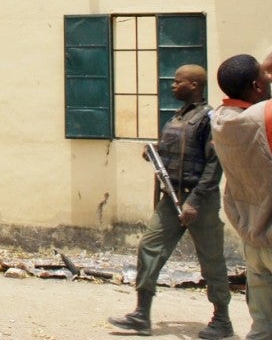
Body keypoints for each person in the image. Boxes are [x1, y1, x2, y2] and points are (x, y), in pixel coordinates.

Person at [108, 64, 233, 339]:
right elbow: (172, 150)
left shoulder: (208, 118)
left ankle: (222, 319)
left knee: (211, 260)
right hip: (172, 197)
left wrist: (195, 202)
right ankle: (141, 315)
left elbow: (215, 165)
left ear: (195, 86)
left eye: (179, 82)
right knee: (149, 247)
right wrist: (153, 153)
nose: (173, 85)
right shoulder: (178, 117)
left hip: (198, 200)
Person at [210, 53, 272, 339]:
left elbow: (248, 77)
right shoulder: (264, 117)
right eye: (264, 77)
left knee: (263, 327)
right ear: (257, 87)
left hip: (255, 241)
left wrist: (261, 71)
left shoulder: (221, 120)